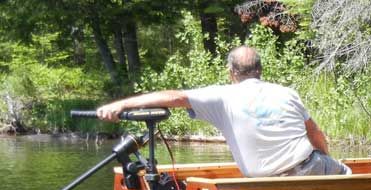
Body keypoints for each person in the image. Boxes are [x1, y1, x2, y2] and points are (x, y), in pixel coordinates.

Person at [96, 46, 351, 177]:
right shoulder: (286, 93)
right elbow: (316, 135)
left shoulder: (223, 95)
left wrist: (121, 104)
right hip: (309, 167)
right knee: (346, 174)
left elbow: (174, 96)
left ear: (231, 74)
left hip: (263, 181)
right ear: (260, 70)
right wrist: (326, 164)